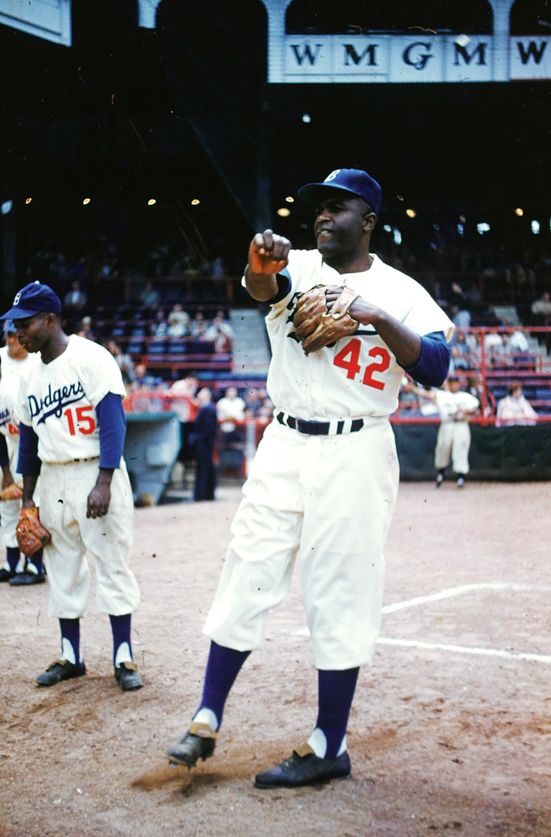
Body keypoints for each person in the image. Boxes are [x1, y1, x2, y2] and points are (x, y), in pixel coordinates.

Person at [166, 167, 453, 788]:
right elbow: (263, 283)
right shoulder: (297, 264)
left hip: (357, 448)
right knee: (248, 565)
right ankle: (206, 714)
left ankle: (329, 743)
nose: (322, 216)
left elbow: (436, 364)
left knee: (339, 589)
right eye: (317, 208)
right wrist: (261, 265)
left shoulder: (402, 292)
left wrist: (373, 315)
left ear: (369, 220)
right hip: (286, 441)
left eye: (337, 207)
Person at [0, 281, 143, 691]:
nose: (18, 332)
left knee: (112, 564)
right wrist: (28, 502)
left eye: (24, 323)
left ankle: (124, 657)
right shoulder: (27, 376)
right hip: (54, 477)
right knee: (62, 570)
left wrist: (104, 479)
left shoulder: (91, 358)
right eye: (14, 325)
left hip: (95, 472)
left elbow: (113, 422)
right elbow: (27, 443)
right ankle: (70, 655)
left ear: (50, 319)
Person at [0, 321, 45, 585]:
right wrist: (6, 471)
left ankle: (35, 565)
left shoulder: (37, 362)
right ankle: (12, 562)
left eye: (17, 336)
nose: (12, 340)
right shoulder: (1, 359)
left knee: (33, 503)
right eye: (8, 335)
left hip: (34, 442)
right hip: (7, 440)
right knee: (7, 505)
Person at [418, 375, 479, 488]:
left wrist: (466, 411)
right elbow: (427, 394)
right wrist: (413, 389)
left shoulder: (465, 396)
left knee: (460, 448)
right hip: (447, 424)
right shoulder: (442, 395)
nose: (454, 384)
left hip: (461, 424)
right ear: (449, 384)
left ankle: (461, 477)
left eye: (456, 382)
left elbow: (476, 409)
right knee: (443, 448)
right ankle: (441, 474)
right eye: (452, 382)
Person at [189, 387, 218, 501]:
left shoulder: (207, 409)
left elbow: (207, 429)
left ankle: (201, 495)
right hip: (206, 443)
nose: (199, 394)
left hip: (204, 444)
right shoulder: (207, 408)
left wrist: (197, 440)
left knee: (203, 469)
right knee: (206, 469)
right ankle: (206, 495)